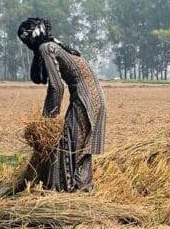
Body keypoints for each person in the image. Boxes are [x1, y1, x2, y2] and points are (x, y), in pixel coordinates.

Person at [17, 17, 106, 192]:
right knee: (80, 150)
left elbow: (56, 87)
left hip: (84, 100)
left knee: (66, 148)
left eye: (26, 39)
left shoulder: (46, 48)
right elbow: (40, 78)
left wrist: (47, 120)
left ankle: (63, 192)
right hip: (97, 99)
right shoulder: (55, 46)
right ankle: (83, 190)